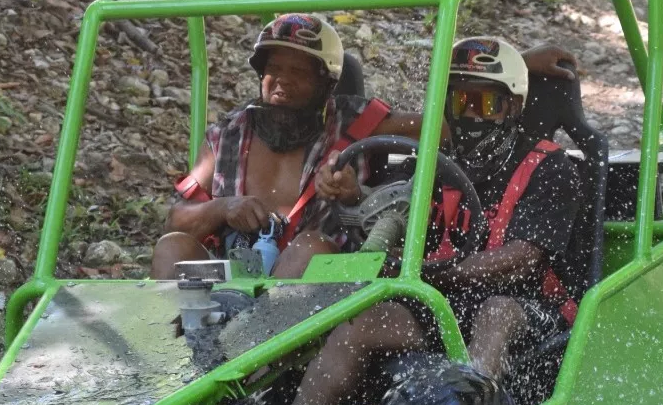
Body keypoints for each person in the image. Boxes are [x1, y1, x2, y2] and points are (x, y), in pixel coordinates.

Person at [152, 14, 581, 279]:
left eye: (296, 72)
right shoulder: (228, 134)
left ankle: (262, 377)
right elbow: (178, 215)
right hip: (229, 277)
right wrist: (221, 208)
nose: (279, 81)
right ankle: (165, 381)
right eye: (272, 69)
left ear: (327, 83)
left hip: (311, 286)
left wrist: (516, 64)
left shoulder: (355, 121)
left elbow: (451, 122)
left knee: (312, 245)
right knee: (172, 245)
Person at [296, 37, 583, 405]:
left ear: (513, 105)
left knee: (497, 312)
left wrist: (427, 271)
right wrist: (353, 196)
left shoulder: (551, 167)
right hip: (442, 301)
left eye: (486, 103)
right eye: (459, 101)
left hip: (528, 306)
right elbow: (389, 215)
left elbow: (521, 261)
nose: (472, 115)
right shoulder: (430, 161)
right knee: (362, 322)